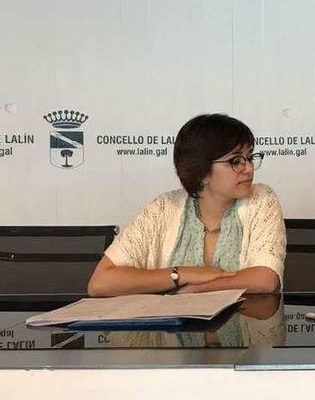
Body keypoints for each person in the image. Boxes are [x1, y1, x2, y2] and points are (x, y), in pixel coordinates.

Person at [87, 114, 285, 296]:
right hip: (170, 332)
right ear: (202, 171)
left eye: (249, 157)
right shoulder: (163, 208)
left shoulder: (260, 198)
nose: (248, 168)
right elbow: (100, 283)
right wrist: (180, 274)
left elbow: (265, 279)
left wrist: (201, 287)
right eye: (235, 161)